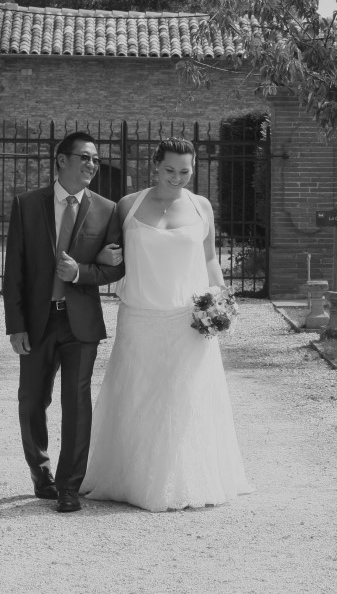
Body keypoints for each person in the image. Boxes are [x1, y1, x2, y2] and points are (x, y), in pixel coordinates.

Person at [81, 137, 252, 511]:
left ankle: (181, 481)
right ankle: (131, 480)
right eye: (170, 170)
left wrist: (221, 302)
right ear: (155, 166)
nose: (177, 178)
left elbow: (209, 261)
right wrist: (100, 255)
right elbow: (108, 255)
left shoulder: (201, 206)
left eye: (185, 171)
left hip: (186, 321)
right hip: (140, 317)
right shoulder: (129, 205)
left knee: (185, 399)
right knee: (138, 396)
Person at [3, 130, 124, 513]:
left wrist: (81, 273)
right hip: (38, 323)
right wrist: (16, 325)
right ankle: (42, 475)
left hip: (81, 324)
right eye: (84, 157)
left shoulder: (108, 210)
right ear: (62, 161)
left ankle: (70, 487)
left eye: (95, 159)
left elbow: (114, 271)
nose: (91, 164)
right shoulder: (26, 205)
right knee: (31, 401)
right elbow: (14, 271)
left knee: (77, 403)